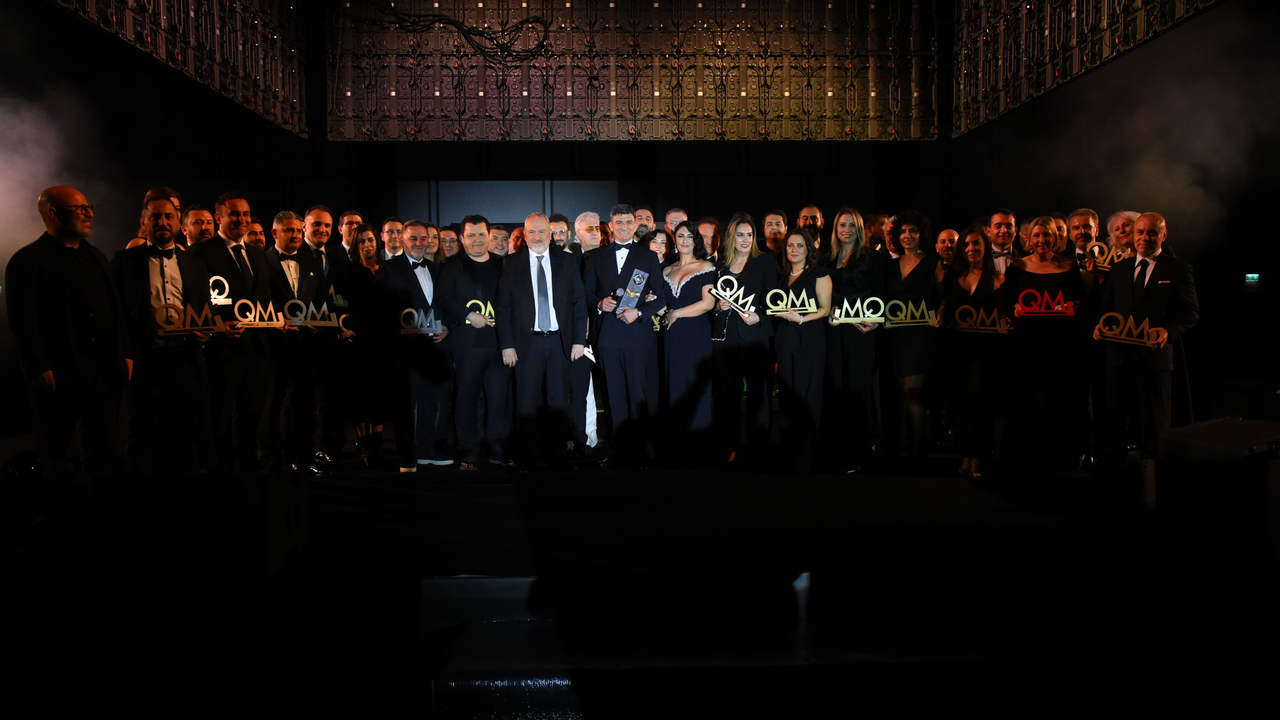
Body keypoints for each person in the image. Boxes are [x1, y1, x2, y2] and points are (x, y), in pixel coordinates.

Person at [7, 187, 129, 479]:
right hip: (59, 374)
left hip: (102, 372)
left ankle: (96, 504)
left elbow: (115, 310)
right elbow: (22, 320)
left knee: (103, 452)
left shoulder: (96, 256)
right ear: (53, 213)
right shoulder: (28, 260)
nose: (89, 214)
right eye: (80, 209)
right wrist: (38, 365)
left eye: (89, 208)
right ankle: (54, 505)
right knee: (53, 454)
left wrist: (124, 352)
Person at [111, 197, 211, 474]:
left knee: (185, 435)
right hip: (144, 361)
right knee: (140, 435)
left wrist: (205, 333)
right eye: (155, 216)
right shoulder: (124, 261)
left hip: (186, 359)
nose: (162, 222)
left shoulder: (195, 263)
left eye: (168, 216)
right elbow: (115, 313)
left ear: (178, 223)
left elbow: (204, 307)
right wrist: (135, 341)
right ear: (143, 223)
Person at [1093, 213, 1199, 460]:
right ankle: (1114, 471)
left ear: (1163, 235)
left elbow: (1191, 312)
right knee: (1115, 420)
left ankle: (1153, 475)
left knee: (1154, 426)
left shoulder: (1178, 269)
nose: (1144, 238)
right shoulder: (1119, 268)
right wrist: (1101, 324)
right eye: (1140, 232)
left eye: (1151, 232)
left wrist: (1168, 331)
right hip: (1117, 358)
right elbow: (1106, 305)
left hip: (1154, 358)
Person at [496, 212, 588, 469]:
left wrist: (578, 341)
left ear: (551, 234)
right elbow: (503, 308)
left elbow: (579, 303)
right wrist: (507, 344)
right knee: (526, 403)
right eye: (532, 232)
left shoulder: (567, 262)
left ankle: (557, 456)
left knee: (559, 402)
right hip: (526, 344)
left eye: (541, 231)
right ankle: (527, 458)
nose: (537, 236)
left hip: (560, 343)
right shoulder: (511, 264)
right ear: (524, 235)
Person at [191, 191, 274, 472]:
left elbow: (264, 298)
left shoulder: (256, 253)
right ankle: (219, 471)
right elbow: (195, 299)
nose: (242, 219)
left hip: (257, 350)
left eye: (246, 214)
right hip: (222, 351)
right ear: (219, 217)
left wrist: (277, 319)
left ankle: (247, 470)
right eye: (234, 214)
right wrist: (215, 327)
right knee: (219, 417)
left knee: (251, 416)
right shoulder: (201, 252)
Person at [583, 204, 665, 468]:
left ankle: (642, 452)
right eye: (618, 222)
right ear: (611, 225)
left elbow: (660, 297)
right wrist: (599, 303)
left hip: (637, 337)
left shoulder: (648, 256)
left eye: (628, 222)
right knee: (614, 396)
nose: (624, 226)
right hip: (607, 337)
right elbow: (585, 294)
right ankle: (618, 451)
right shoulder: (596, 256)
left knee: (638, 395)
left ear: (635, 224)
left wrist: (638, 313)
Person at [1003, 216, 1086, 469]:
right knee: (1026, 399)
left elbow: (1078, 302)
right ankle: (1025, 458)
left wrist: (1070, 307)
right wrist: (1013, 309)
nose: (1042, 240)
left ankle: (1056, 458)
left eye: (1046, 235)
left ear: (1056, 237)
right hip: (1025, 344)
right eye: (1037, 235)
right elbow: (1006, 303)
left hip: (1059, 344)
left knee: (1056, 399)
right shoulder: (1017, 266)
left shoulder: (1069, 266)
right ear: (1028, 239)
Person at [377, 220, 452, 470]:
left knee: (431, 400)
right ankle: (407, 455)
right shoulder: (388, 268)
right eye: (413, 238)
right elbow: (381, 309)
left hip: (433, 347)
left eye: (423, 238)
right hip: (404, 348)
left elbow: (444, 303)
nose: (419, 243)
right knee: (406, 404)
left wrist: (446, 326)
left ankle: (426, 449)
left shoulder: (437, 268)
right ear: (402, 239)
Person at [440, 214, 512, 471]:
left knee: (499, 401)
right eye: (471, 235)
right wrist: (469, 315)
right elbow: (443, 298)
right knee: (467, 401)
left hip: (499, 345)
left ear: (488, 236)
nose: (477, 240)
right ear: (462, 238)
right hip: (467, 346)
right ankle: (469, 451)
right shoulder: (452, 265)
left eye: (482, 234)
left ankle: (498, 450)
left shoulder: (502, 265)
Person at [262, 211, 326, 476]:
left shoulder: (311, 260)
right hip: (275, 346)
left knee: (305, 404)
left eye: (298, 230)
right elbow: (260, 300)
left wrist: (318, 321)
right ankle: (277, 458)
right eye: (289, 230)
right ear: (275, 233)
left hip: (306, 344)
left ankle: (306, 457)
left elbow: (320, 299)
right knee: (275, 405)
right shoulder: (262, 261)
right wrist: (277, 321)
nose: (296, 235)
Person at [711, 212, 776, 466]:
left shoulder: (764, 261)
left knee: (758, 396)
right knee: (727, 397)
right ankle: (729, 448)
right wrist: (718, 306)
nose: (746, 239)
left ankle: (757, 450)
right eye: (740, 235)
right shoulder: (721, 265)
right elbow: (712, 303)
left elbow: (775, 298)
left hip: (755, 338)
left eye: (750, 234)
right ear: (731, 237)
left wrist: (759, 316)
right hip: (725, 340)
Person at [940, 224, 1004, 479]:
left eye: (976, 243)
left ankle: (979, 457)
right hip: (957, 350)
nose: (971, 248)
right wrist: (941, 314)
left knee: (980, 404)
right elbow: (945, 306)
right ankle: (965, 455)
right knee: (961, 405)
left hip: (985, 351)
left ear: (985, 246)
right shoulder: (952, 276)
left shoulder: (996, 278)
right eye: (966, 244)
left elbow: (1002, 315)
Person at [821, 208, 881, 473]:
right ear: (835, 228)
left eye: (852, 225)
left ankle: (858, 452)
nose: (846, 230)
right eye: (842, 225)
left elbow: (881, 293)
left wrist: (877, 321)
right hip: (832, 331)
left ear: (859, 229)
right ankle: (836, 450)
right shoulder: (827, 257)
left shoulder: (871, 257)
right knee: (835, 388)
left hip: (860, 331)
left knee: (857, 389)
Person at [882, 210, 944, 460]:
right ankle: (910, 446)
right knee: (904, 393)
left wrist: (942, 312)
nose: (907, 235)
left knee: (912, 393)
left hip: (921, 336)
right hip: (895, 336)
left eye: (913, 231)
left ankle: (916, 450)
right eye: (903, 231)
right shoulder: (890, 266)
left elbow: (944, 298)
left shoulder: (933, 263)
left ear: (922, 234)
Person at [773, 228, 832, 471]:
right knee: (788, 398)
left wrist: (801, 319)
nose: (794, 249)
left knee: (807, 396)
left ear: (809, 249)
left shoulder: (819, 274)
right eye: (790, 245)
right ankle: (789, 454)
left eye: (799, 245)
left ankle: (807, 457)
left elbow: (825, 309)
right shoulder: (782, 276)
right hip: (785, 341)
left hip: (809, 339)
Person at [660, 220, 717, 458]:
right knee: (673, 387)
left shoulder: (706, 267)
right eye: (681, 236)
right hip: (672, 336)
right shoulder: (665, 270)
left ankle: (699, 449)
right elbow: (662, 305)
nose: (685, 240)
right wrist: (658, 307)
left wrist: (677, 313)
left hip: (696, 334)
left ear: (696, 241)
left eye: (690, 236)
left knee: (696, 387)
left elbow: (708, 303)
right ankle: (676, 448)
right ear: (674, 239)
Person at [345, 223, 393, 468]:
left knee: (380, 396)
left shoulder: (387, 270)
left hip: (384, 343)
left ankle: (377, 446)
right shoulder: (350, 272)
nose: (367, 244)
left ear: (377, 242)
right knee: (360, 397)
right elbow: (344, 306)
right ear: (356, 245)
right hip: (358, 342)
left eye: (370, 240)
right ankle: (364, 446)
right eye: (362, 241)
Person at [987, 208, 1020, 273]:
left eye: (1008, 226)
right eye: (998, 226)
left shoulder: (1024, 258)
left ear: (1015, 231)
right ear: (988, 231)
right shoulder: (981, 258)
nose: (1003, 231)